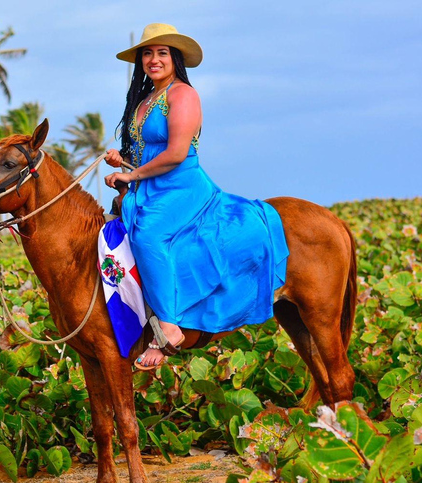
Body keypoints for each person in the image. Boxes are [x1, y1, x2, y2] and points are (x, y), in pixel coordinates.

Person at [104, 23, 289, 370]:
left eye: (162, 53)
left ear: (175, 58)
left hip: (182, 185)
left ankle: (170, 326)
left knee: (148, 236)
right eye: (147, 53)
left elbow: (175, 153)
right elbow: (146, 153)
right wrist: (123, 162)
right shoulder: (145, 100)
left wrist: (131, 174)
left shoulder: (183, 95)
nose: (154, 59)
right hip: (150, 186)